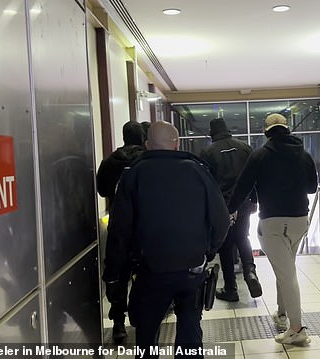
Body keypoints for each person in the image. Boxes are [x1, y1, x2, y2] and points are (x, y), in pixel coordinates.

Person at [103, 121, 230, 358]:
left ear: (148, 144)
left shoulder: (134, 175)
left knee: (147, 331)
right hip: (192, 267)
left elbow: (119, 230)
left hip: (151, 269)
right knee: (190, 327)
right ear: (177, 143)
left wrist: (113, 272)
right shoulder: (198, 171)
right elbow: (221, 219)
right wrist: (209, 250)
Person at [228, 113, 317, 346]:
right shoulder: (304, 154)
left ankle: (297, 330)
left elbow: (242, 187)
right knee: (285, 268)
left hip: (274, 222)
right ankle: (281, 312)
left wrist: (230, 210)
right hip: (300, 220)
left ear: (266, 131)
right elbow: (311, 187)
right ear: (286, 129)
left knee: (287, 275)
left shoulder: (260, 156)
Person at [96, 121, 149, 343]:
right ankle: (143, 316)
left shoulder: (109, 161)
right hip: (145, 224)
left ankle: (118, 323)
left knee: (118, 271)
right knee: (147, 271)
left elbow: (101, 190)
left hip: (119, 224)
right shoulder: (147, 160)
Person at [199, 118, 262, 302]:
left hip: (222, 205)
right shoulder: (244, 148)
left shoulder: (207, 152)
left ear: (212, 133)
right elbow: (254, 175)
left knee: (225, 244)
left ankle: (231, 288)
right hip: (244, 202)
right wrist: (255, 200)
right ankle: (250, 271)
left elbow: (206, 183)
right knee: (242, 237)